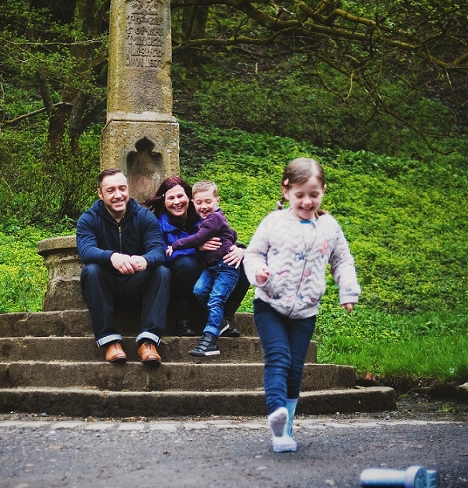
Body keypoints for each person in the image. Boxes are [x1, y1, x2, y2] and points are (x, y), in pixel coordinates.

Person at [244, 156, 360, 455]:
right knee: (279, 359)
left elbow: (342, 260)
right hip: (269, 303)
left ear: (322, 192)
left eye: (314, 194)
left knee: (296, 369)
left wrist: (347, 290)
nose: (307, 201)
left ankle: (288, 424)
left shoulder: (329, 227)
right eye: (300, 195)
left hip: (306, 310)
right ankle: (277, 420)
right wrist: (257, 273)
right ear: (286, 191)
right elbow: (253, 254)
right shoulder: (274, 222)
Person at [76, 167, 170, 364]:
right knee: (91, 270)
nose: (118, 195)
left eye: (122, 189)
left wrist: (145, 260)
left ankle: (148, 342)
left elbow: (158, 250)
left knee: (161, 271)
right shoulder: (88, 219)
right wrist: (112, 257)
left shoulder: (145, 217)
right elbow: (86, 251)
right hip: (106, 287)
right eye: (111, 191)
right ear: (100, 194)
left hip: (137, 285)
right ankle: (110, 342)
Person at [147, 175, 249, 337]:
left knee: (239, 262)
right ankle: (182, 320)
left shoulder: (206, 218)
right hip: (179, 285)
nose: (176, 202)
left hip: (207, 278)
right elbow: (159, 255)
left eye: (180, 196)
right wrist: (197, 248)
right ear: (164, 201)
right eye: (171, 198)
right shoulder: (156, 224)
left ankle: (224, 319)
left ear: (189, 198)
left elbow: (228, 236)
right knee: (187, 264)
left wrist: (241, 250)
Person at [165, 179, 240, 358]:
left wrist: (175, 245)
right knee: (199, 291)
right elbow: (231, 233)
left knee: (215, 300)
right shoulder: (208, 218)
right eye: (199, 202)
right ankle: (222, 323)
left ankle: (210, 338)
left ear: (217, 200)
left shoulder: (213, 218)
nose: (203, 206)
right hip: (211, 266)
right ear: (193, 202)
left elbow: (197, 238)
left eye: (208, 201)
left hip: (225, 267)